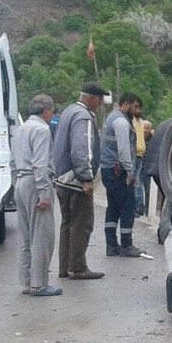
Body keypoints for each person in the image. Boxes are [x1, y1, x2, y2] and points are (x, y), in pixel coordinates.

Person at [52, 83, 106, 280]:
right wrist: (86, 178)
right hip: (75, 181)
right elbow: (82, 148)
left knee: (67, 224)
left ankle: (64, 267)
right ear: (91, 98)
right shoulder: (84, 117)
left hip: (62, 178)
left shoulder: (68, 112)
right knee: (82, 224)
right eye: (99, 99)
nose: (100, 104)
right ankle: (78, 267)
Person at [11, 94, 59, 297]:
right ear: (47, 110)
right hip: (35, 181)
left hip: (21, 182)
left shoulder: (19, 130)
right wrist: (44, 193)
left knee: (25, 235)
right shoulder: (42, 130)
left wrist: (15, 185)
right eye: (52, 111)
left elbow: (13, 162)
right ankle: (39, 284)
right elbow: (40, 163)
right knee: (42, 235)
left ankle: (27, 280)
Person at [100, 92, 143, 257]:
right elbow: (124, 148)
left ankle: (111, 245)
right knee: (127, 206)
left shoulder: (111, 118)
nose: (137, 110)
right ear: (126, 104)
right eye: (135, 106)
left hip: (108, 169)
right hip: (118, 171)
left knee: (113, 207)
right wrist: (130, 170)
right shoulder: (121, 122)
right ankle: (126, 244)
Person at [131, 101, 152, 217]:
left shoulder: (138, 122)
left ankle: (140, 208)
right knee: (137, 183)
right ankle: (138, 207)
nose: (145, 130)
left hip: (140, 157)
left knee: (138, 183)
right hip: (136, 155)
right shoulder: (134, 122)